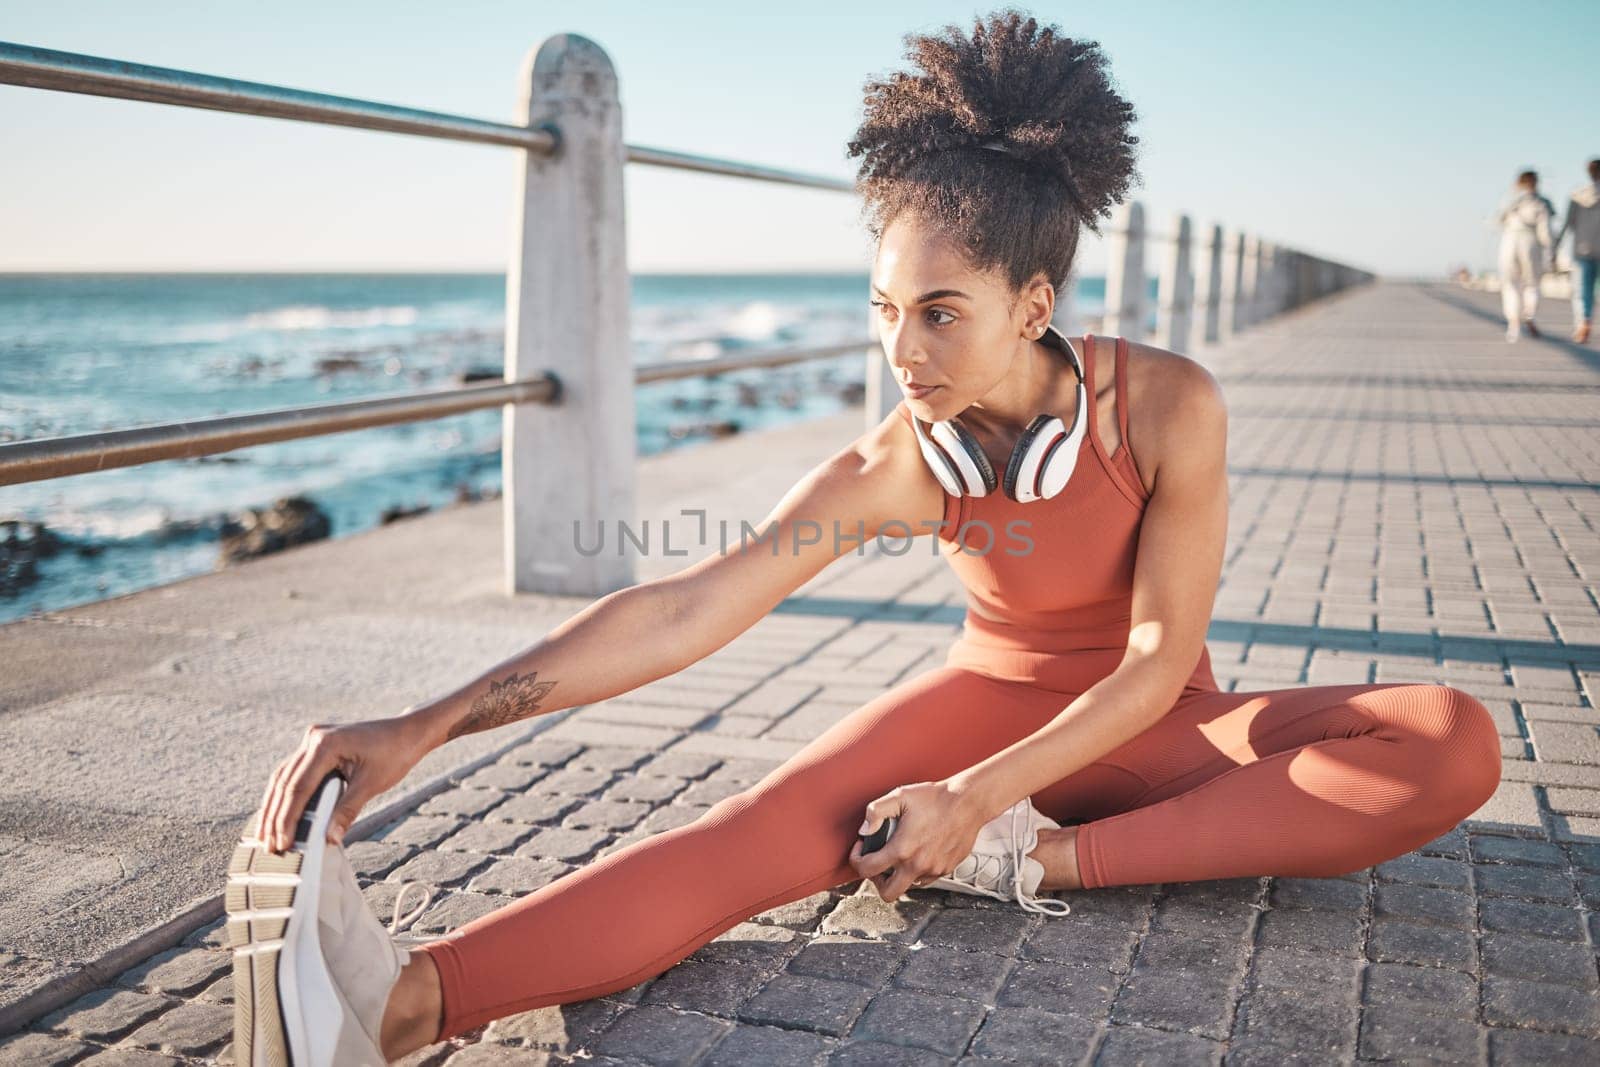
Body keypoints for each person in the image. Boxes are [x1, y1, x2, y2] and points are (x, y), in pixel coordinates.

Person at [228, 10, 1504, 1063]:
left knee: (1451, 741)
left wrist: (985, 811)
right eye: (886, 307)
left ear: (1034, 302)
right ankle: (404, 1004)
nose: (902, 350)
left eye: (942, 313)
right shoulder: (901, 461)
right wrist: (424, 725)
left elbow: (1157, 660)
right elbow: (686, 609)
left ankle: (1033, 864)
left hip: (1146, 723)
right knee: (749, 837)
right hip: (979, 703)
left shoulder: (1168, 405)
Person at [1496, 170, 1557, 342]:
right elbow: (1545, 232)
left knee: (1510, 285)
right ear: (1536, 183)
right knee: (1532, 284)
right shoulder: (1541, 202)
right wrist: (1551, 251)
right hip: (1531, 242)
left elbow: (1498, 220)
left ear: (1518, 183)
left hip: (1509, 241)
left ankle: (1513, 325)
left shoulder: (1510, 201)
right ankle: (1529, 313)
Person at [1553, 158, 1600, 344]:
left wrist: (1555, 249)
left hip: (1582, 249)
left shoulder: (1578, 196)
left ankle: (1583, 321)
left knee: (1582, 290)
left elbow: (1567, 225)